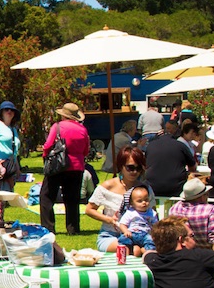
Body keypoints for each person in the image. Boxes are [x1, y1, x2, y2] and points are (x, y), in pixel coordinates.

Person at [85, 145, 154, 253]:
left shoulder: (144, 189)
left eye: (138, 168)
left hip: (142, 236)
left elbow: (153, 213)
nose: (134, 172)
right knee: (130, 250)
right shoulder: (107, 186)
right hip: (111, 235)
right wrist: (109, 219)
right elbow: (89, 210)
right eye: (130, 167)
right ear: (121, 166)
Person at [39, 102, 90, 235]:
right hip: (76, 167)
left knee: (47, 197)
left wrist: (45, 157)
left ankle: (48, 227)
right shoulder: (83, 129)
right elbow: (86, 150)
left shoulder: (57, 127)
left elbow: (48, 145)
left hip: (58, 165)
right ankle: (73, 228)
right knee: (72, 199)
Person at [143, 121, 197, 197]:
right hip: (176, 188)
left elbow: (145, 165)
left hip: (152, 187)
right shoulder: (181, 145)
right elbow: (193, 167)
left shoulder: (150, 146)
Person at [116, 186, 158, 252]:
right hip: (132, 234)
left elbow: (156, 225)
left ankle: (148, 252)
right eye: (139, 201)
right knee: (123, 239)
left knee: (151, 241)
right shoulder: (130, 212)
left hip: (146, 234)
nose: (144, 202)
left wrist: (154, 232)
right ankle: (125, 252)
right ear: (132, 203)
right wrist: (126, 231)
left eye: (146, 200)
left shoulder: (151, 213)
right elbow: (122, 224)